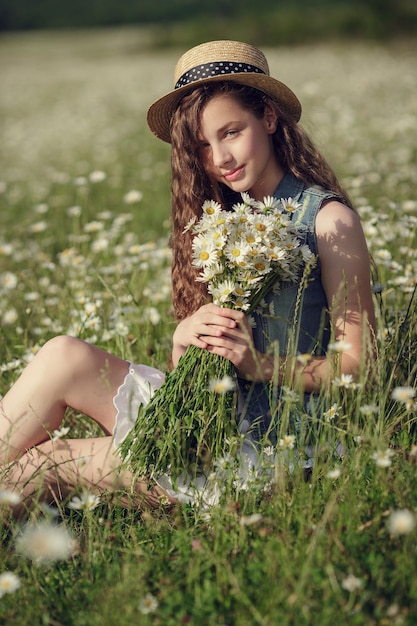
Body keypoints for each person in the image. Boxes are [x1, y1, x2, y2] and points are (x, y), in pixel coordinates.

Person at [0, 40, 376, 512]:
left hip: (272, 442)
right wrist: (184, 341)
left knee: (46, 461)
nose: (219, 157)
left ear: (270, 118)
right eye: (201, 145)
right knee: (62, 355)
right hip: (210, 415)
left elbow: (360, 368)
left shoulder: (327, 221)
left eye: (231, 132)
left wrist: (257, 364)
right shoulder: (220, 219)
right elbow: (201, 373)